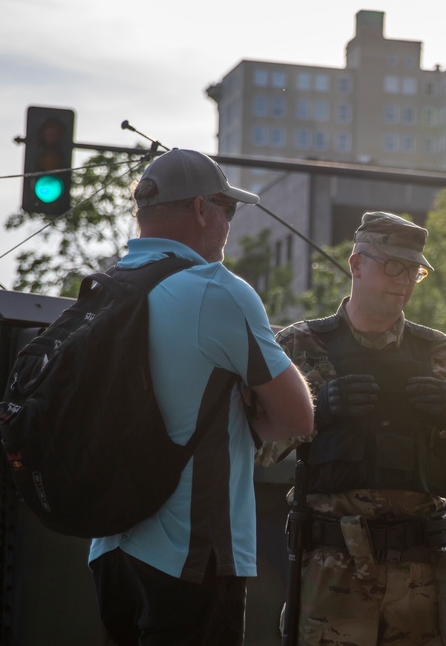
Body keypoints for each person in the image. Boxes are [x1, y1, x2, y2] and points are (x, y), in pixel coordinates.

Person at [87, 148, 315, 646]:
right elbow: (298, 417)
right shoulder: (215, 290)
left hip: (110, 547)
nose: (229, 224)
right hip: (191, 554)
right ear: (199, 209)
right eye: (227, 210)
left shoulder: (106, 288)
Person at [257, 211, 446, 646]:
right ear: (356, 264)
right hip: (332, 567)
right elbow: (256, 447)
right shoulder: (300, 345)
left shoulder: (441, 353)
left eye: (414, 270)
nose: (404, 280)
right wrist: (316, 414)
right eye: (393, 265)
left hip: (420, 571)